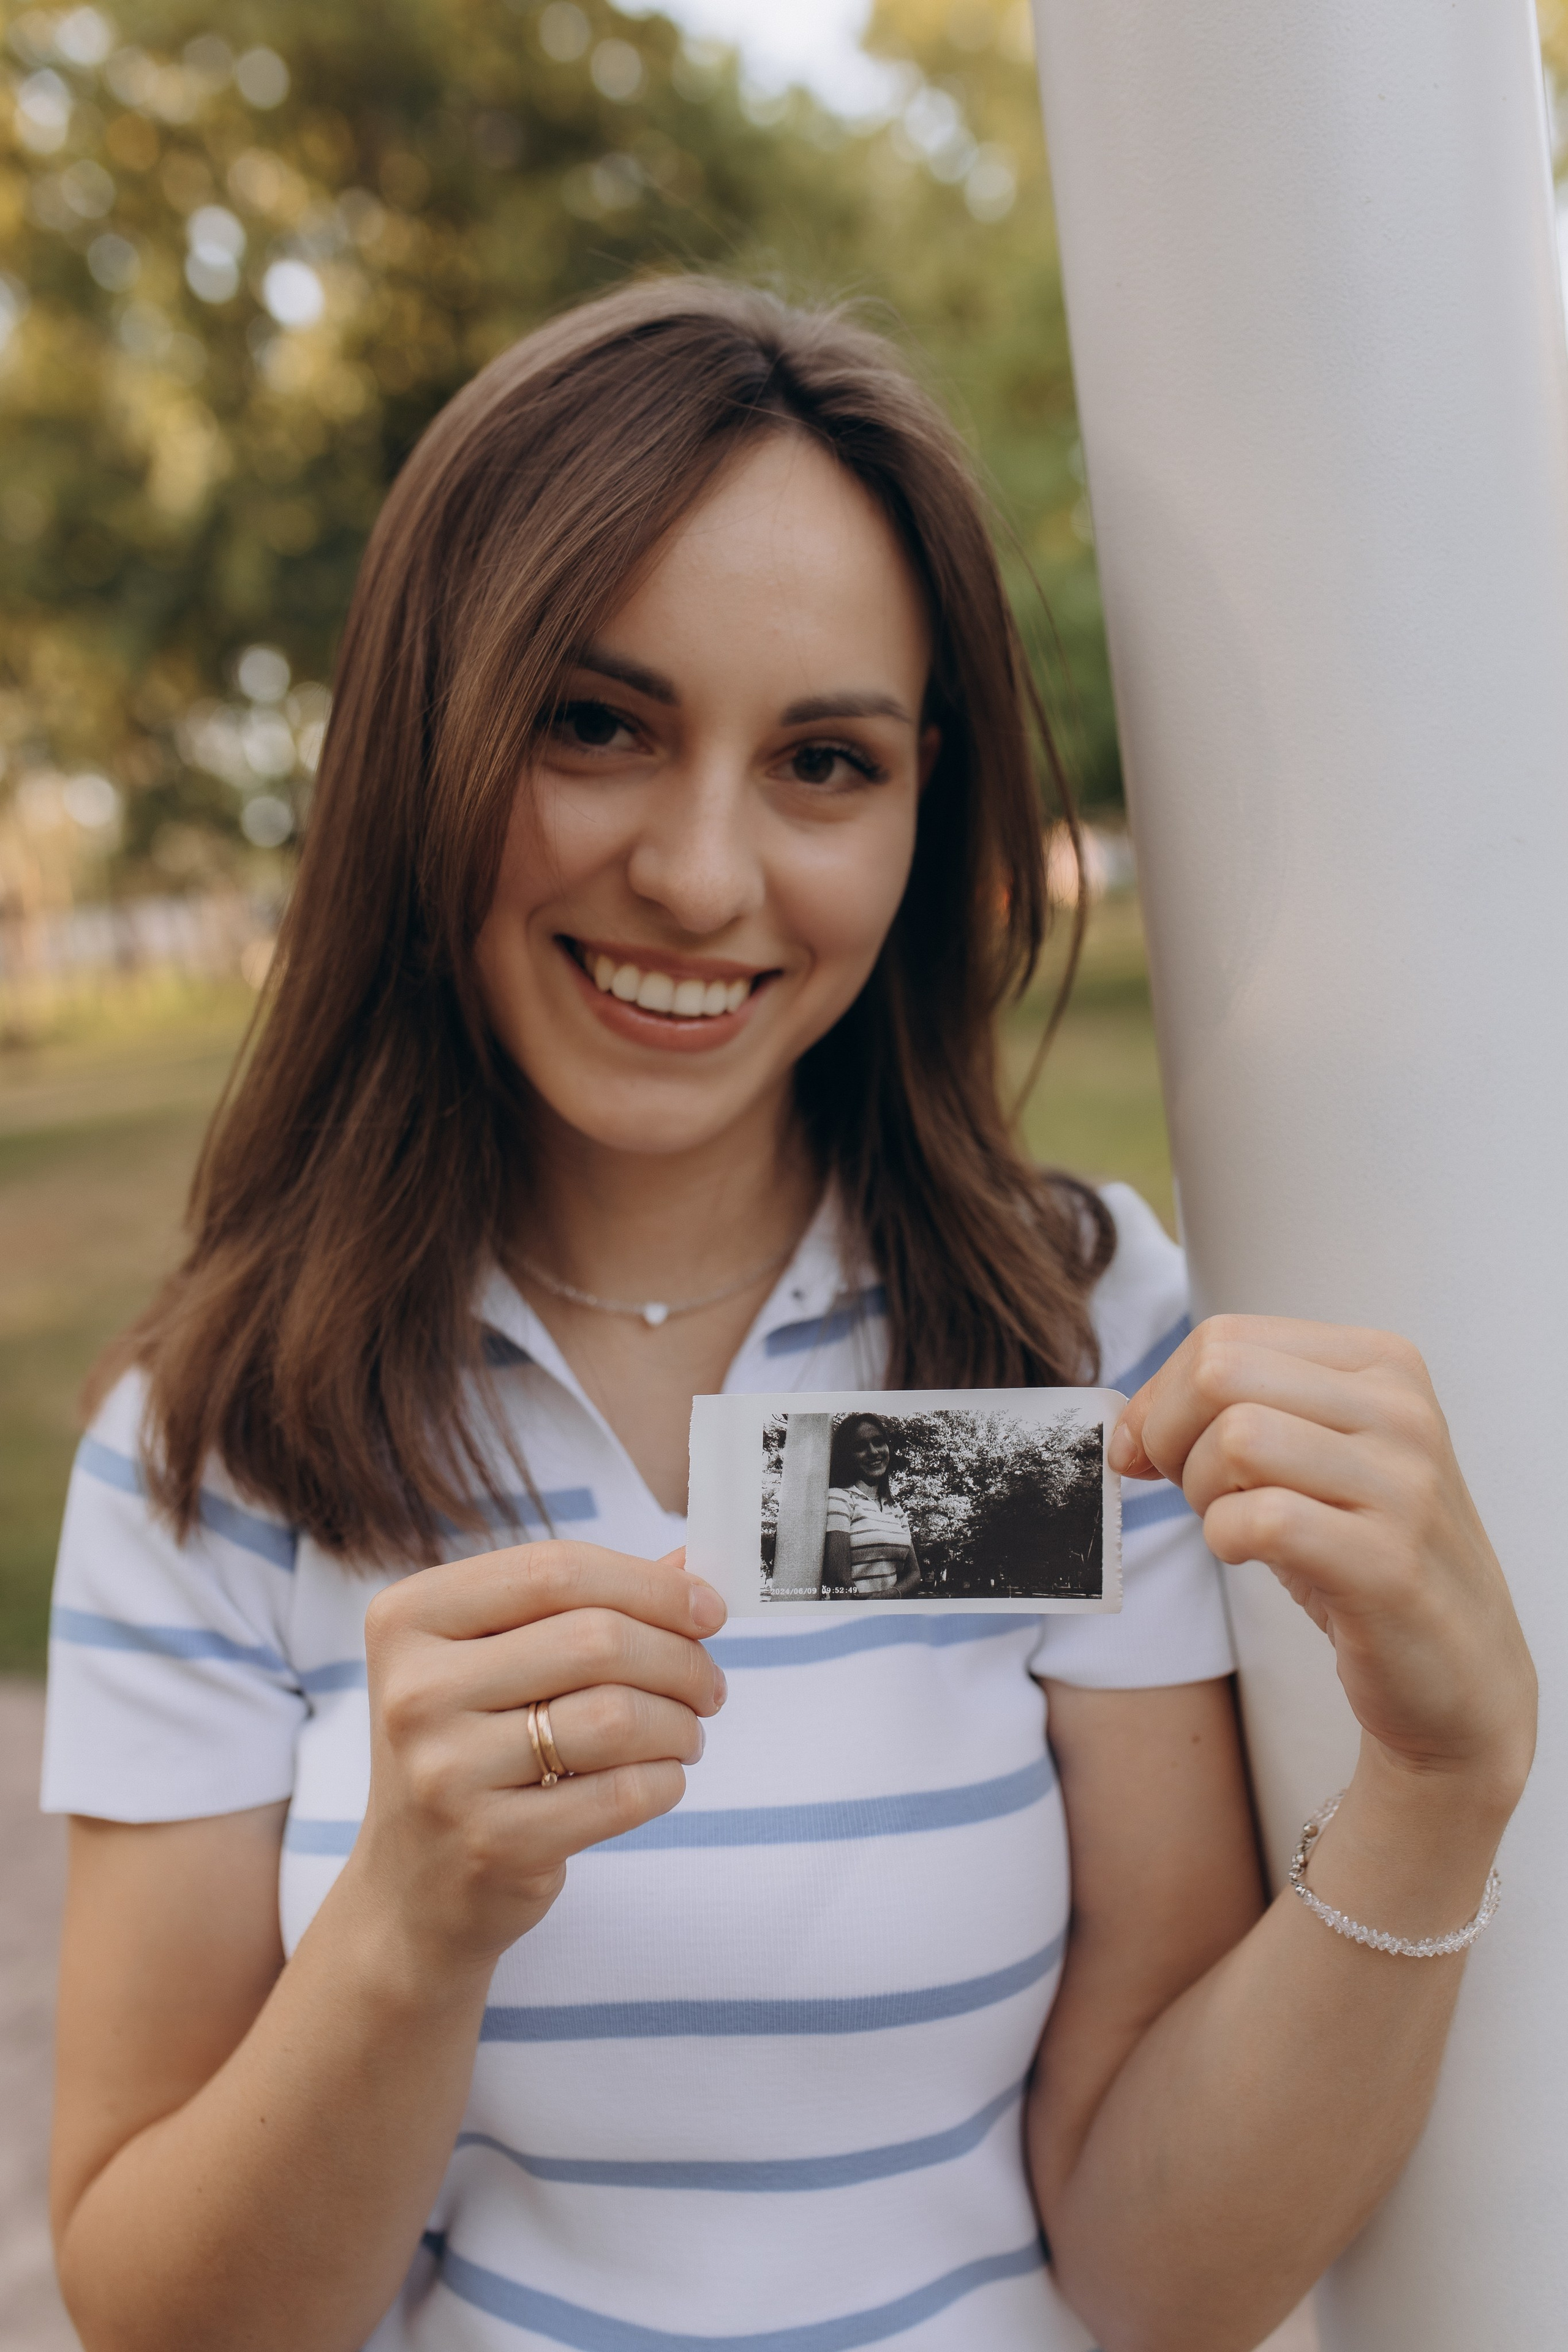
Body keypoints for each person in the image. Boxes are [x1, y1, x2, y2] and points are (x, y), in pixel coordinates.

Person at [42, 279, 1534, 2352]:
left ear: (926, 821)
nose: (701, 870)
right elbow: (155, 2311)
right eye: (596, 723)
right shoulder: (240, 1440)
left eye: (824, 760)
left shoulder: (1044, 1342)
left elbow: (1156, 2272)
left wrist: (1441, 1781)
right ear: (426, 734)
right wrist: (407, 1929)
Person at [823, 1412, 922, 1596]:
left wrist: (891, 1595)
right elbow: (838, 1581)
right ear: (847, 1456)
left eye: (878, 1442)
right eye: (860, 1447)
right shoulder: (839, 1499)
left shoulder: (895, 1509)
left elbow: (914, 1574)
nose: (874, 1452)